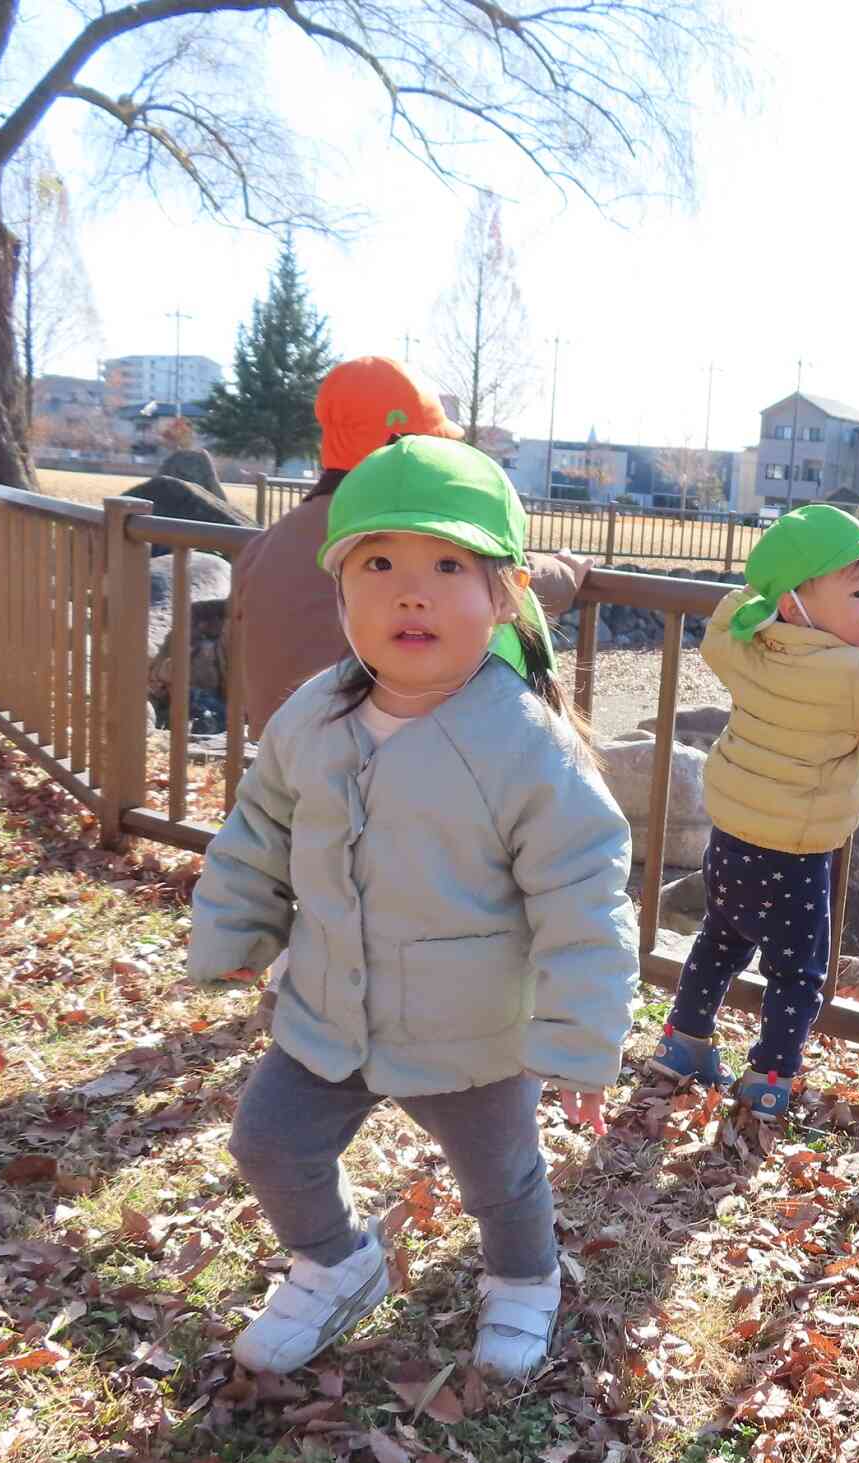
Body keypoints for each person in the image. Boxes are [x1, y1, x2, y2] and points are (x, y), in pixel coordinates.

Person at [189, 436, 638, 1380]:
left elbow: (584, 897)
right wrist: (236, 927)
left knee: (502, 1180)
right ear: (340, 590)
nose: (411, 592)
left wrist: (581, 1039)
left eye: (447, 567)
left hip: (473, 1033)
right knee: (268, 1143)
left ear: (503, 594)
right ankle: (338, 1260)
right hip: (328, 1006)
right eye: (378, 564)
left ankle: (523, 1281)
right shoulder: (313, 714)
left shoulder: (521, 743)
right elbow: (259, 827)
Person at [648, 504, 859, 1120]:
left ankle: (683, 1042)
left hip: (731, 836)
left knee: (721, 938)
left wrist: (761, 601)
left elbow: (720, 625)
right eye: (857, 592)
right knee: (798, 972)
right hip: (798, 855)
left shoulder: (750, 648)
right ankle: (770, 1076)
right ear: (795, 605)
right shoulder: (853, 673)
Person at [231, 355, 590, 741]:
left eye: (446, 566)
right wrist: (565, 571)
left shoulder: (268, 544)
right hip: (392, 766)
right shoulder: (395, 524)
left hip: (285, 764)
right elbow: (501, 579)